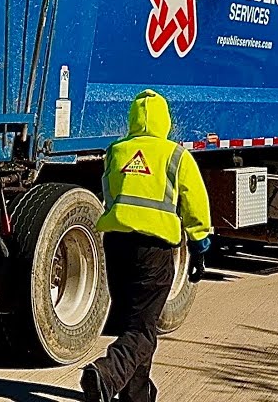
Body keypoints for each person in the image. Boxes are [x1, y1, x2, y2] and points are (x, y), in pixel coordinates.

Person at [80, 89, 212, 402]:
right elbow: (196, 205)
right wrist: (200, 245)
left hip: (116, 245)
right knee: (142, 330)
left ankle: (136, 396)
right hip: (153, 250)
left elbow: (110, 194)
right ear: (165, 120)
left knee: (134, 324)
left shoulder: (116, 151)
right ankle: (106, 373)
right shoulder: (175, 156)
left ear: (133, 119)